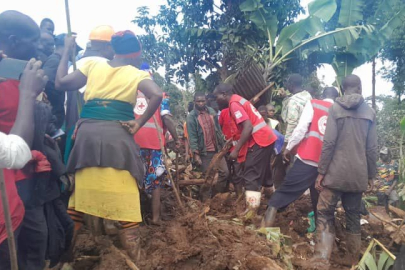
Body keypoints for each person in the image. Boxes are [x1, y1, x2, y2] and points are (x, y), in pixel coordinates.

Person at [55, 30, 163, 260]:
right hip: (117, 139)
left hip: (86, 139)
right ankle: (137, 258)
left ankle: (64, 259)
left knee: (79, 200)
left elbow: (60, 83)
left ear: (113, 50)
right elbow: (156, 95)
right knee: (126, 199)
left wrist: (66, 49)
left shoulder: (93, 65)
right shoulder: (136, 74)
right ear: (137, 54)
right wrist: (138, 123)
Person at [309, 75, 378, 269]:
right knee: (353, 216)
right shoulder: (370, 112)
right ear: (360, 87)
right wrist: (371, 175)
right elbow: (372, 149)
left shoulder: (335, 109)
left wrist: (321, 172)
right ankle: (352, 260)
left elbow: (329, 143)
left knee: (324, 211)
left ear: (342, 88)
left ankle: (322, 258)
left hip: (335, 175)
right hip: (358, 176)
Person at [262, 87, 339, 227]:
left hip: (308, 158)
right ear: (337, 98)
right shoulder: (340, 110)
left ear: (323, 95)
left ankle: (265, 226)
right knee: (319, 199)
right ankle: (321, 238)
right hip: (328, 164)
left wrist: (289, 147)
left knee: (286, 189)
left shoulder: (314, 104)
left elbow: (301, 128)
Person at [0, 51, 48, 269]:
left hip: (17, 188)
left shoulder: (22, 82)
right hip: (12, 175)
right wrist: (28, 93)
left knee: (36, 236)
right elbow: (15, 152)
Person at [214, 83, 277, 215]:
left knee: (250, 176)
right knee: (265, 174)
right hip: (266, 138)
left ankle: (252, 211)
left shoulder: (234, 103)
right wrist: (232, 142)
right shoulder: (238, 99)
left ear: (224, 94)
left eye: (217, 96)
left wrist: (236, 150)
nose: (216, 99)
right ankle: (275, 204)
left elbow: (248, 127)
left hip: (260, 140)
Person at [134, 68, 179, 225]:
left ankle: (134, 219)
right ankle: (155, 218)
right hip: (154, 145)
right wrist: (177, 139)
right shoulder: (161, 96)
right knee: (156, 183)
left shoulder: (129, 93)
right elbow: (166, 119)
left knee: (133, 180)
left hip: (133, 144)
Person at [65, 25, 115, 145]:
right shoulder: (108, 66)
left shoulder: (74, 66)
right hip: (98, 129)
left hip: (72, 126)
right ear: (107, 47)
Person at [187, 92, 229, 195]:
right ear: (194, 102)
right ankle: (205, 200)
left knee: (225, 173)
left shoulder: (211, 111)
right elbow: (192, 137)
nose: (201, 103)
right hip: (204, 152)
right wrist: (196, 154)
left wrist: (222, 142)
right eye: (198, 101)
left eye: (203, 101)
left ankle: (216, 195)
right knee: (208, 177)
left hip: (217, 149)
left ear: (206, 101)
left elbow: (218, 128)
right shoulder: (191, 117)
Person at [42, 34, 82, 129]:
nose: (76, 54)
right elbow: (46, 83)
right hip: (53, 112)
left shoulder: (58, 61)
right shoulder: (54, 60)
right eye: (75, 50)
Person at [218, 108, 244, 197]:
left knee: (238, 173)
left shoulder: (240, 112)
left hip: (238, 149)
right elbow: (219, 127)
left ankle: (239, 195)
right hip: (226, 148)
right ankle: (223, 195)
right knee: (226, 173)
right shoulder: (224, 112)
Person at [281, 74, 312, 143]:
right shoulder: (308, 96)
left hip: (296, 138)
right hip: (307, 136)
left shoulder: (293, 101)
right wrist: (285, 97)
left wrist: (286, 142)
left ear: (291, 84)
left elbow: (292, 122)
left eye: (288, 83)